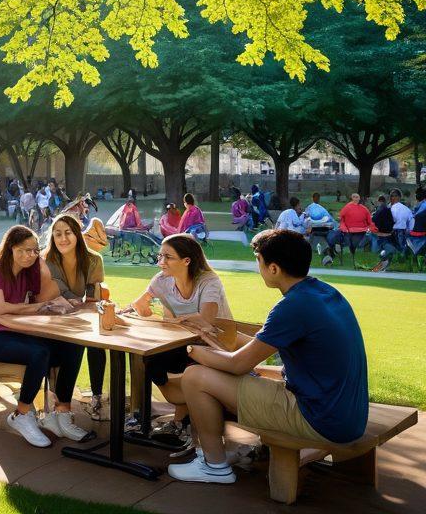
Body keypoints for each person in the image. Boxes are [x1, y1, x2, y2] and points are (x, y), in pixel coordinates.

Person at [167, 229, 368, 485]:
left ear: (273, 268)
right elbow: (267, 357)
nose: (258, 267)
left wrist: (193, 350)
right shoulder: (324, 293)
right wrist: (217, 341)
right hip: (348, 415)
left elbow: (237, 364)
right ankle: (226, 452)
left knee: (195, 377)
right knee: (240, 375)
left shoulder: (292, 306)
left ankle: (214, 465)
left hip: (320, 419)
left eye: (258, 260)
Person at [0, 224, 89, 446]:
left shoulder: (30, 270)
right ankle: (21, 414)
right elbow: (0, 309)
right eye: (23, 250)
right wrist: (40, 307)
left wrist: (58, 295)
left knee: (72, 346)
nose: (29, 255)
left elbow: (48, 293)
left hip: (16, 331)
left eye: (34, 250)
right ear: (10, 248)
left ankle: (61, 412)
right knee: (39, 353)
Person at [122, 233, 232, 447]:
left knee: (186, 365)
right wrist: (140, 312)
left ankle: (183, 420)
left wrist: (175, 321)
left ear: (186, 260)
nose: (160, 262)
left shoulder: (209, 281)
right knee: (150, 358)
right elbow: (138, 305)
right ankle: (172, 417)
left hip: (215, 344)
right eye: (160, 256)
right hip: (183, 342)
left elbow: (207, 320)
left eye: (168, 257)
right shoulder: (161, 280)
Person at [44, 214, 108, 422]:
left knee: (96, 342)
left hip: (80, 311)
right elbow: (57, 292)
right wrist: (77, 304)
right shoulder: (47, 259)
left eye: (68, 233)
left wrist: (85, 306)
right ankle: (59, 403)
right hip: (53, 313)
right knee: (73, 343)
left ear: (77, 235)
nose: (63, 239)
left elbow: (92, 294)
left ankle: (97, 397)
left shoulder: (93, 259)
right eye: (58, 234)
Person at [327, 193, 375, 265]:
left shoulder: (364, 209)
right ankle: (340, 257)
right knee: (340, 240)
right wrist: (344, 229)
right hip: (348, 232)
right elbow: (342, 221)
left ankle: (353, 259)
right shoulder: (346, 208)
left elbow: (370, 222)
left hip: (360, 232)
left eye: (357, 197)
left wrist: (371, 228)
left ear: (359, 198)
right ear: (352, 198)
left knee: (355, 244)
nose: (355, 198)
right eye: (354, 197)